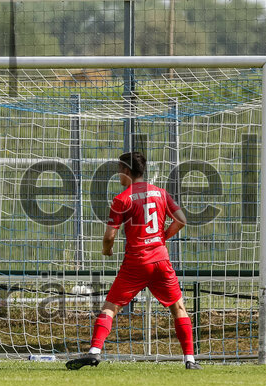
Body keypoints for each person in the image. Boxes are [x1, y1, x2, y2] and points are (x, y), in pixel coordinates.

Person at [67, 152, 199, 370]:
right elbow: (181, 220)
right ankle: (190, 360)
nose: (118, 173)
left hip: (136, 262)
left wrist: (106, 250)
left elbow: (109, 236)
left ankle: (94, 352)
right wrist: (162, 237)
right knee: (178, 307)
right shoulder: (161, 193)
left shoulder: (122, 199)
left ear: (126, 171)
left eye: (119, 169)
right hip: (160, 259)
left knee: (110, 308)